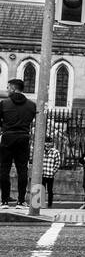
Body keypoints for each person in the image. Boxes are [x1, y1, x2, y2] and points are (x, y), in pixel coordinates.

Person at [0, 77, 37, 209]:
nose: (7, 89)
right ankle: (21, 202)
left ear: (14, 88)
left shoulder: (4, 104)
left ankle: (4, 201)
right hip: (23, 137)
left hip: (8, 137)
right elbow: (33, 120)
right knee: (23, 170)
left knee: (4, 169)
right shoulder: (32, 105)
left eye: (8, 87)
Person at [42, 138, 62, 209]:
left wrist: (53, 171)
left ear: (52, 143)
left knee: (50, 190)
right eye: (46, 142)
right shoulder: (41, 150)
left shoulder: (55, 152)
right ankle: (42, 204)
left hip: (50, 175)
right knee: (42, 190)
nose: (47, 144)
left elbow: (58, 162)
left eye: (49, 142)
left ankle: (50, 204)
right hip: (42, 174)